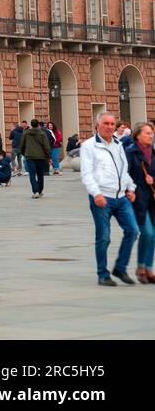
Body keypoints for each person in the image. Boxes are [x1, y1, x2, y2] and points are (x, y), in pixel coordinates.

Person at [81, 111, 139, 286]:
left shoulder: (117, 144)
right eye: (105, 123)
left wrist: (130, 188)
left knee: (133, 230)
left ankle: (120, 268)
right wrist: (96, 193)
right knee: (104, 237)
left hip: (121, 198)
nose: (109, 127)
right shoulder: (89, 146)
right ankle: (103, 274)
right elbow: (86, 174)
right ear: (97, 125)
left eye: (112, 124)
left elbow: (123, 170)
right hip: (102, 197)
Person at [124, 122, 155, 284]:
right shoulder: (131, 153)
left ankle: (149, 268)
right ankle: (141, 267)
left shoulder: (154, 152)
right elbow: (124, 174)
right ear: (137, 135)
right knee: (148, 232)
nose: (150, 136)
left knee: (154, 235)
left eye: (151, 133)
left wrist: (153, 179)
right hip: (139, 200)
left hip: (153, 199)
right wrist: (129, 191)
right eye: (147, 133)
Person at [21, 119, 53, 199]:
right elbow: (46, 146)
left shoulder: (26, 133)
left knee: (32, 174)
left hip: (29, 156)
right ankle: (40, 190)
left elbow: (22, 144)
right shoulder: (42, 133)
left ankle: (35, 191)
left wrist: (23, 153)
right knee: (40, 174)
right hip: (41, 157)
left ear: (31, 125)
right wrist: (49, 156)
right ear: (38, 124)